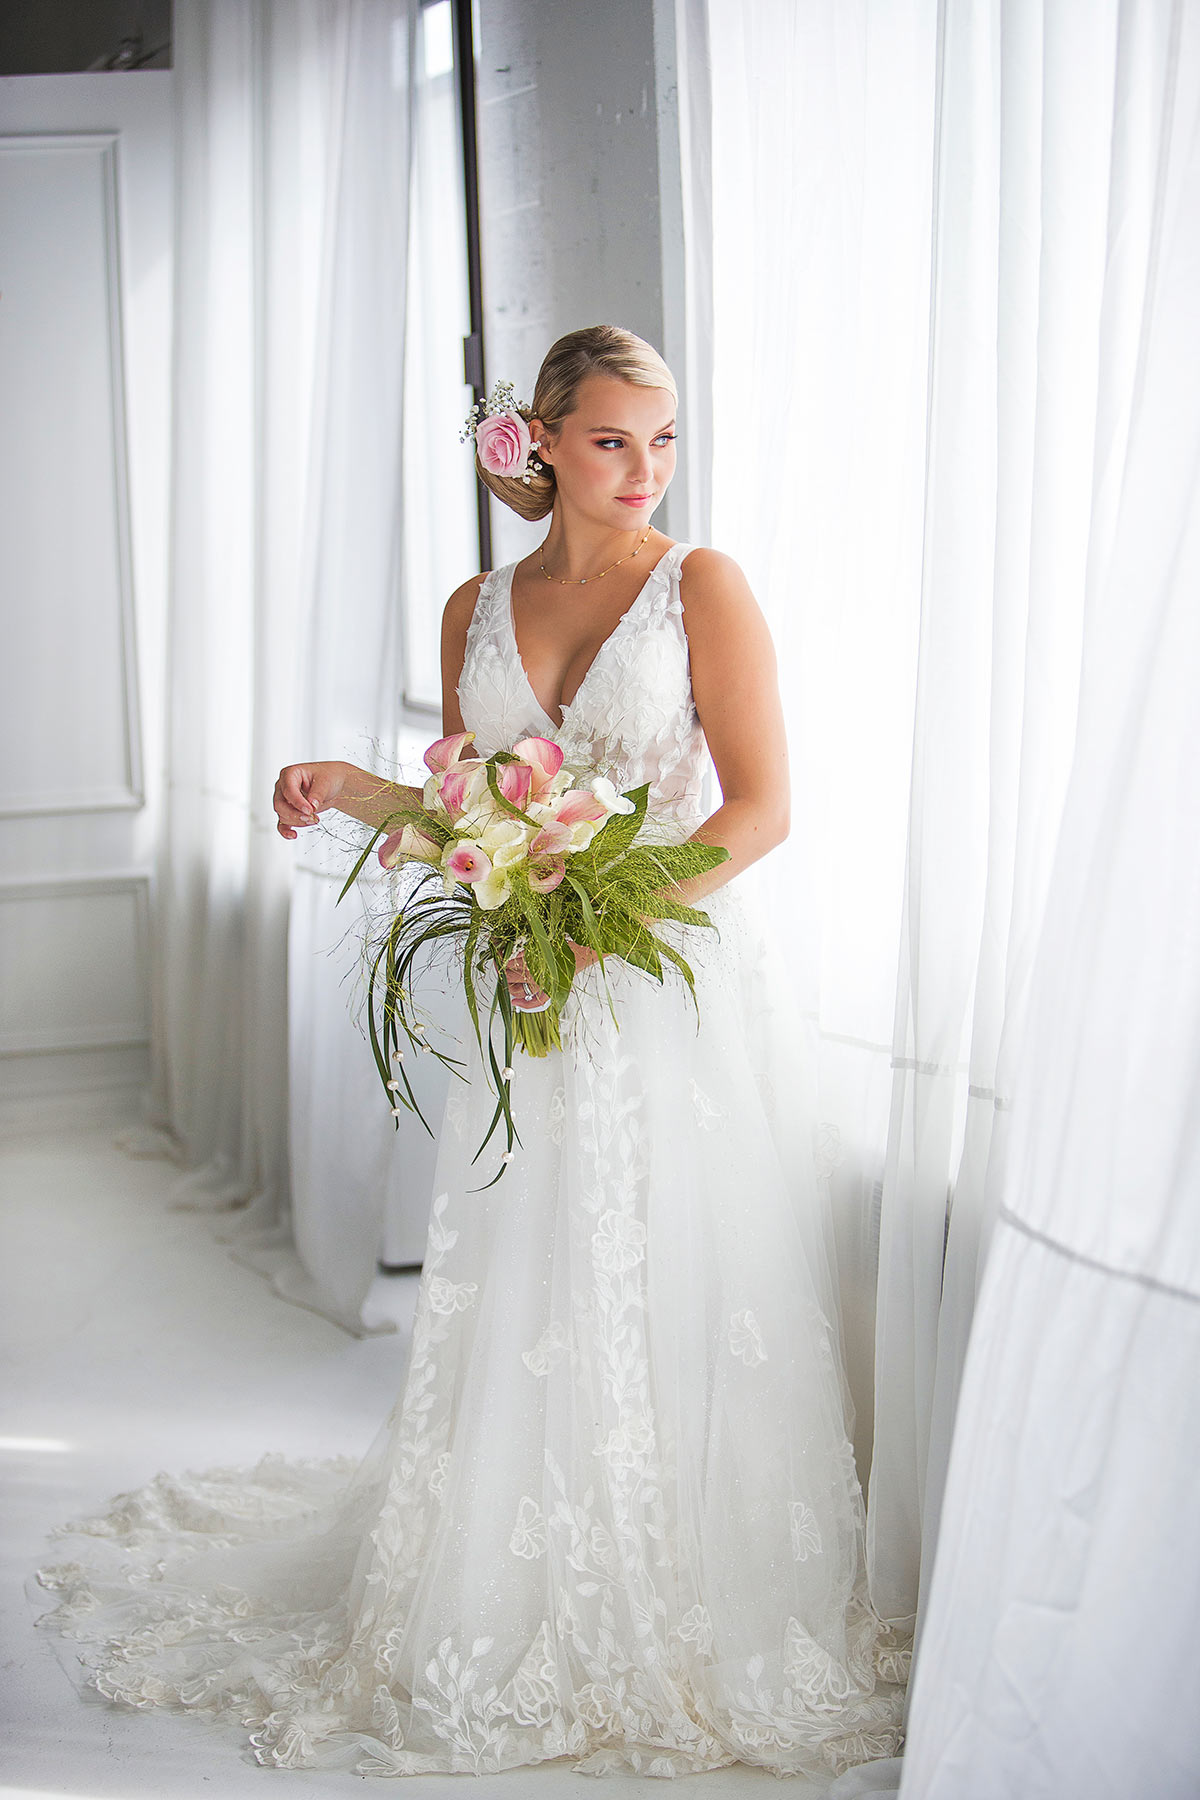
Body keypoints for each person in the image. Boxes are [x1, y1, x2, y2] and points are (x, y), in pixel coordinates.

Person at [31, 326, 909, 1780]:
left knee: (672, 1282)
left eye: (667, 439)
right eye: (616, 438)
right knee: (538, 1285)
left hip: (667, 986)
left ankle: (687, 1592)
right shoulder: (475, 607)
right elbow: (473, 810)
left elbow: (759, 812)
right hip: (531, 989)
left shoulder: (705, 589)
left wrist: (601, 924)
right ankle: (523, 1577)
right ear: (542, 442)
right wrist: (353, 786)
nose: (647, 469)